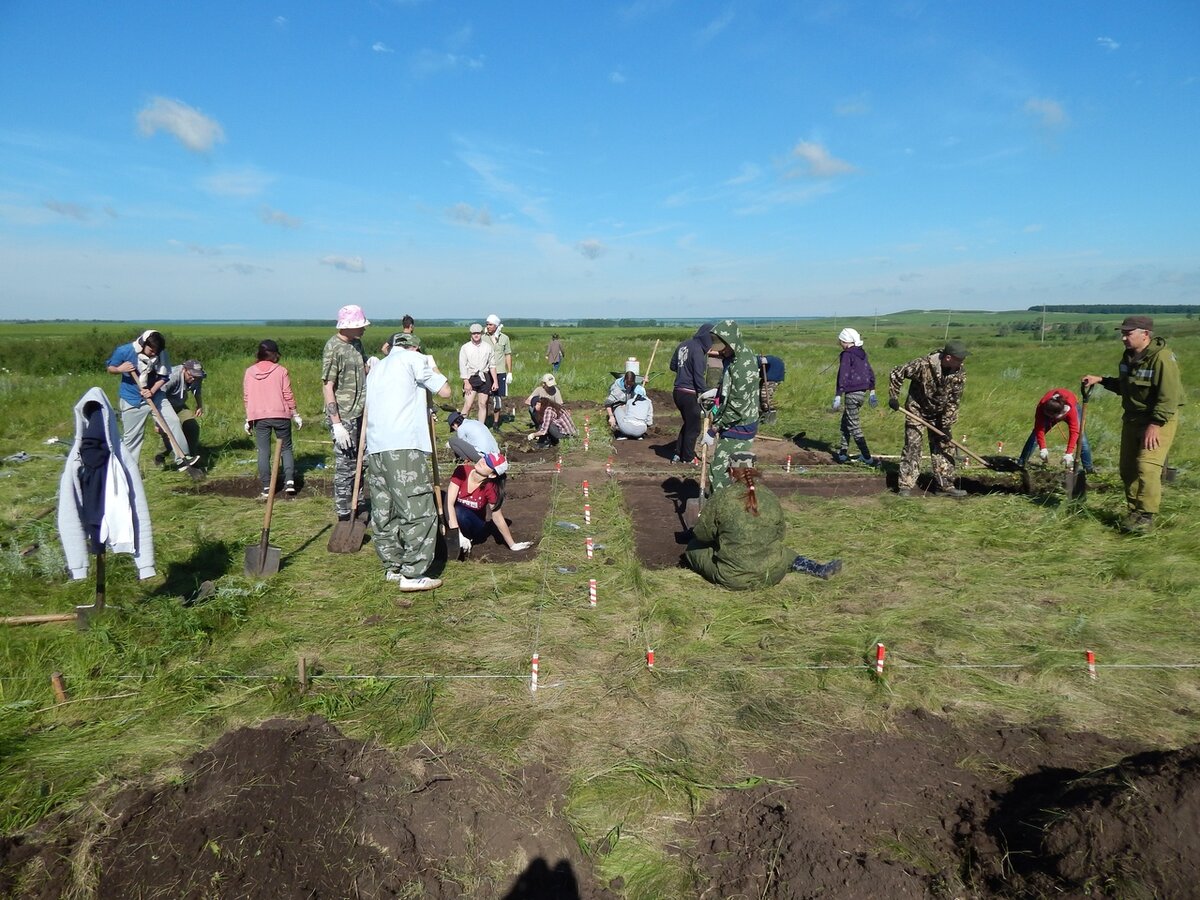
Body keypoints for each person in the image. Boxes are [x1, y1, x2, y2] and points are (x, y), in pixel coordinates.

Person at [364, 328, 452, 592]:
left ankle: (393, 565)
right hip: (403, 446)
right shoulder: (415, 360)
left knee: (384, 508)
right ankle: (413, 574)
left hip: (376, 447)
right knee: (418, 508)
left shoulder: (378, 367)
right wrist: (432, 366)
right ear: (415, 347)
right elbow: (445, 391)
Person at [1083, 315, 1184, 533]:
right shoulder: (1128, 357)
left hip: (1159, 420)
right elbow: (1125, 386)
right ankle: (1134, 511)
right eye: (1122, 333)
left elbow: (1169, 396)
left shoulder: (1162, 358)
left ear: (1145, 334)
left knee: (1147, 467)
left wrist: (1155, 424)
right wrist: (1101, 380)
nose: (1123, 338)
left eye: (1128, 333)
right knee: (1127, 469)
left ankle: (1146, 516)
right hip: (1132, 419)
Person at [685, 452, 841, 589]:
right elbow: (780, 535)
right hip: (772, 574)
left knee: (693, 548)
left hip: (733, 578)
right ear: (754, 471)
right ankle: (817, 569)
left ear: (732, 472)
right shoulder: (770, 495)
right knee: (784, 553)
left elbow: (702, 535)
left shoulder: (721, 497)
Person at [105, 329, 198, 469]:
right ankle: (129, 469)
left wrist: (152, 391)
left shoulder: (161, 354)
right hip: (132, 399)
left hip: (156, 396)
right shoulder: (124, 351)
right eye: (151, 349)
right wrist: (120, 369)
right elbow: (110, 368)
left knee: (173, 421)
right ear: (143, 344)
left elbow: (164, 376)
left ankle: (183, 458)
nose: (154, 353)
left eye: (157, 350)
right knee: (133, 438)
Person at [888, 340, 968, 497]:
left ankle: (945, 486)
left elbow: (953, 401)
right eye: (960, 358)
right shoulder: (923, 364)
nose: (962, 362)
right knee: (913, 446)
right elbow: (897, 372)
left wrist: (945, 425)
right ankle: (906, 485)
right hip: (916, 410)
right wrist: (893, 397)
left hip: (939, 414)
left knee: (945, 446)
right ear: (948, 358)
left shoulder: (959, 373)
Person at [323, 305, 370, 522]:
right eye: (360, 326)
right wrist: (336, 423)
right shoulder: (334, 348)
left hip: (362, 412)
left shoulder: (357, 344)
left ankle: (358, 504)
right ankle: (343, 511)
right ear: (348, 327)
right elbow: (328, 386)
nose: (363, 329)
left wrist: (372, 365)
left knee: (362, 461)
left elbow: (363, 370)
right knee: (345, 464)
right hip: (344, 415)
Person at [703, 320, 760, 493]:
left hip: (738, 425)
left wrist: (713, 429)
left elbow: (736, 408)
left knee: (719, 471)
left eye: (724, 347)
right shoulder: (735, 356)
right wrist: (718, 393)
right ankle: (738, 501)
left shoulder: (743, 367)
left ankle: (719, 509)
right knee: (737, 471)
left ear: (732, 342)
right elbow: (730, 385)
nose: (721, 352)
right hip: (736, 422)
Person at [243, 340, 302, 498]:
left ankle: (267, 486)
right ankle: (289, 481)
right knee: (286, 448)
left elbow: (247, 397)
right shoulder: (281, 370)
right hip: (280, 415)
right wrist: (295, 414)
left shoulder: (249, 372)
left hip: (259, 417)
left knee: (263, 451)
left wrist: (248, 419)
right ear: (275, 354)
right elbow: (287, 394)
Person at [446, 453, 532, 558]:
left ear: (492, 475)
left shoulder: (490, 487)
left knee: (460, 512)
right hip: (455, 521)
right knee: (444, 499)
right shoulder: (462, 471)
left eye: (488, 463)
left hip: (474, 525)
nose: (482, 461)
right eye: (485, 458)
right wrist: (457, 534)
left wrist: (512, 545)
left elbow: (497, 517)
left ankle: (467, 539)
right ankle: (455, 537)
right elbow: (449, 503)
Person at [1017, 388, 1094, 473]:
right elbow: (1039, 428)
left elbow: (1074, 431)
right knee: (1034, 436)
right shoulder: (1042, 406)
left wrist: (1069, 453)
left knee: (1082, 439)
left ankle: (1089, 470)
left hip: (1071, 407)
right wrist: (1043, 448)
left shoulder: (1070, 410)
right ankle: (1021, 463)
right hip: (1053, 409)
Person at [831, 328, 878, 465]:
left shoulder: (847, 355)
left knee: (853, 425)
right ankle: (843, 454)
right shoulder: (862, 353)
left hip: (851, 394)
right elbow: (869, 371)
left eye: (840, 341)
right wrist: (872, 390)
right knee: (845, 422)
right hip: (862, 393)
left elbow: (843, 374)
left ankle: (867, 458)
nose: (840, 344)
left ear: (845, 341)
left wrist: (838, 394)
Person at [669, 323, 713, 464]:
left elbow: (673, 366)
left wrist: (683, 373)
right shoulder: (698, 350)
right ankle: (687, 458)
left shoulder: (683, 345)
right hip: (689, 393)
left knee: (688, 423)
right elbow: (698, 375)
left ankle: (678, 453)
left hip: (677, 392)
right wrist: (705, 393)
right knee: (694, 428)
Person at [154, 358, 206, 465]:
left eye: (196, 376)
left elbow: (197, 391)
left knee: (192, 426)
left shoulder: (197, 377)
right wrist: (157, 422)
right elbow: (158, 397)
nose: (193, 378)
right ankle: (160, 455)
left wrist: (199, 405)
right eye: (191, 375)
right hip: (164, 405)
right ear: (184, 370)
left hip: (179, 404)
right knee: (172, 426)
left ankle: (190, 456)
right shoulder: (172, 376)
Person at [459, 322, 498, 423]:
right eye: (474, 333)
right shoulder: (465, 348)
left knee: (482, 404)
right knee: (468, 405)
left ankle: (481, 428)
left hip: (484, 378)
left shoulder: (488, 347)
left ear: (481, 333)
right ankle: (460, 427)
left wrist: (495, 381)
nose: (476, 335)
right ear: (471, 334)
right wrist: (466, 382)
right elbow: (462, 366)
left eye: (478, 333)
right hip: (471, 377)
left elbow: (492, 365)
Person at [484, 313, 513, 428]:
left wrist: (510, 371)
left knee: (497, 398)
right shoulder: (483, 337)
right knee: (484, 398)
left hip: (500, 371)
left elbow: (508, 354)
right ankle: (484, 421)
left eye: (490, 324)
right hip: (486, 372)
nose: (488, 326)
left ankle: (496, 422)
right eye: (487, 324)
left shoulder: (504, 338)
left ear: (496, 325)